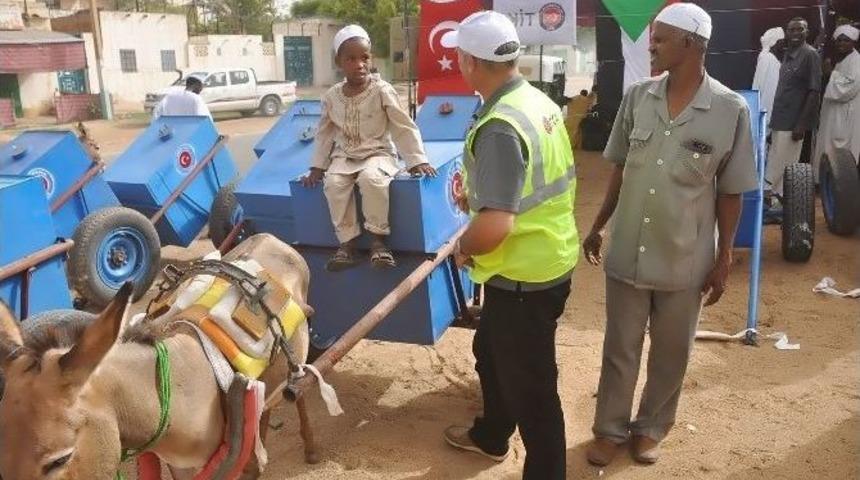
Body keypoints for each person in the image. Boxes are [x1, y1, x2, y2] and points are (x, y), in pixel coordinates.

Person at [582, 3, 757, 467]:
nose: (651, 45)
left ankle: (652, 427)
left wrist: (723, 260)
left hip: (686, 258)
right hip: (627, 252)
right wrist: (599, 225)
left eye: (660, 38)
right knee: (619, 347)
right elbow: (620, 169)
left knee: (671, 351)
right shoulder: (638, 97)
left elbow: (732, 192)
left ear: (692, 44)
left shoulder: (728, 109)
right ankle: (610, 430)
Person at [439, 11, 579, 480]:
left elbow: (496, 226)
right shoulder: (534, 100)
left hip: (525, 274)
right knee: (489, 350)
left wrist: (462, 247)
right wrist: (478, 197)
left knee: (535, 393)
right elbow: (524, 185)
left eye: (460, 56)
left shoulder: (500, 123)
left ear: (471, 62)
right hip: (543, 259)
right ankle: (492, 434)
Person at [301, 25, 436, 271]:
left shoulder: (382, 90)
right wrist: (317, 167)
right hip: (345, 157)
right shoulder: (332, 96)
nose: (359, 64)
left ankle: (378, 243)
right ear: (338, 62)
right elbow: (324, 134)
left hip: (378, 154)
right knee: (334, 184)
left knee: (371, 179)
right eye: (351, 59)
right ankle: (348, 245)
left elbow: (402, 126)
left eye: (364, 57)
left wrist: (416, 160)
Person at [766, 17, 822, 197]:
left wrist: (801, 125)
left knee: (785, 167)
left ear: (807, 32)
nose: (796, 33)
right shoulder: (788, 54)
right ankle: (774, 202)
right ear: (787, 33)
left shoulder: (810, 55)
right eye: (792, 30)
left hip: (793, 123)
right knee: (776, 163)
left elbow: (814, 91)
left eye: (800, 29)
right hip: (780, 121)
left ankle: (781, 205)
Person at [813, 24, 860, 182]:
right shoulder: (842, 60)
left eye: (846, 40)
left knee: (842, 152)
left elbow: (849, 88)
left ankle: (840, 185)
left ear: (853, 42)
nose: (841, 44)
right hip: (833, 115)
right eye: (839, 41)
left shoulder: (857, 61)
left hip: (846, 116)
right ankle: (827, 181)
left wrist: (830, 73)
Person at [752, 27, 785, 117]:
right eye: (781, 41)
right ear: (775, 42)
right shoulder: (769, 59)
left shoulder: (767, 58)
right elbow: (770, 89)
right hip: (769, 111)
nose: (784, 44)